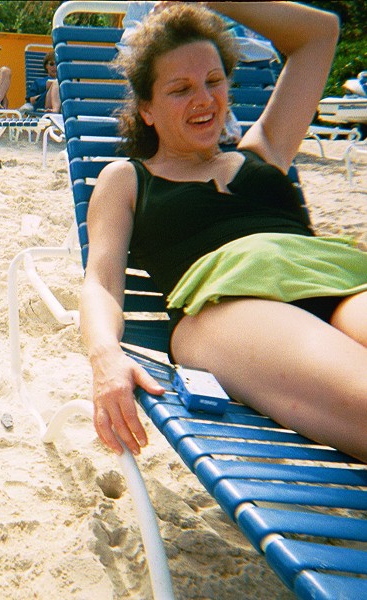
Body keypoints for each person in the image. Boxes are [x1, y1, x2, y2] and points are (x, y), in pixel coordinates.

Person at [79, 2, 367, 462]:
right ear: (147, 109)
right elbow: (101, 281)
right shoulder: (128, 179)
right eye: (180, 89)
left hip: (342, 281)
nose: (204, 99)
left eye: (214, 81)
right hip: (230, 303)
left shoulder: (263, 147)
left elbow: (319, 34)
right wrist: (104, 356)